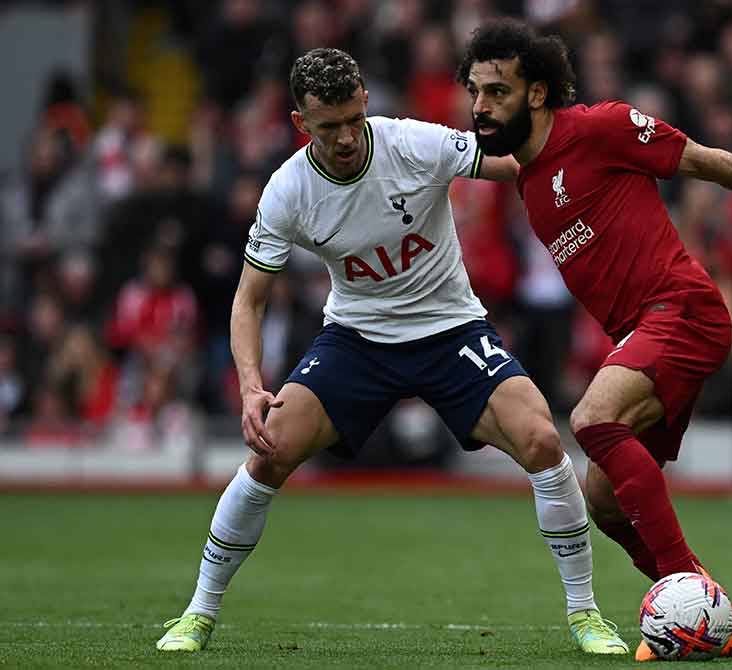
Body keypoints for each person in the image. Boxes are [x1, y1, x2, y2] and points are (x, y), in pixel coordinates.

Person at [156, 48, 628, 655]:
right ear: (302, 124)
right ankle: (199, 611)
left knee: (540, 437)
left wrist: (591, 163)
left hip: (450, 328)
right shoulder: (287, 192)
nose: (348, 136)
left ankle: (586, 613)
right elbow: (248, 301)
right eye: (330, 127)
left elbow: (518, 163)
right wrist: (252, 387)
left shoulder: (413, 144)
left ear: (365, 105)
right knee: (269, 450)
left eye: (355, 119)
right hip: (358, 339)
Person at [458, 19, 732, 661]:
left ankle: (692, 589)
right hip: (644, 334)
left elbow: (705, 161)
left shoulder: (602, 127)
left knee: (591, 418)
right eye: (474, 91)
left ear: (537, 93)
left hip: (683, 311)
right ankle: (719, 620)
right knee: (602, 502)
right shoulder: (526, 179)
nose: (480, 106)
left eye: (496, 91)